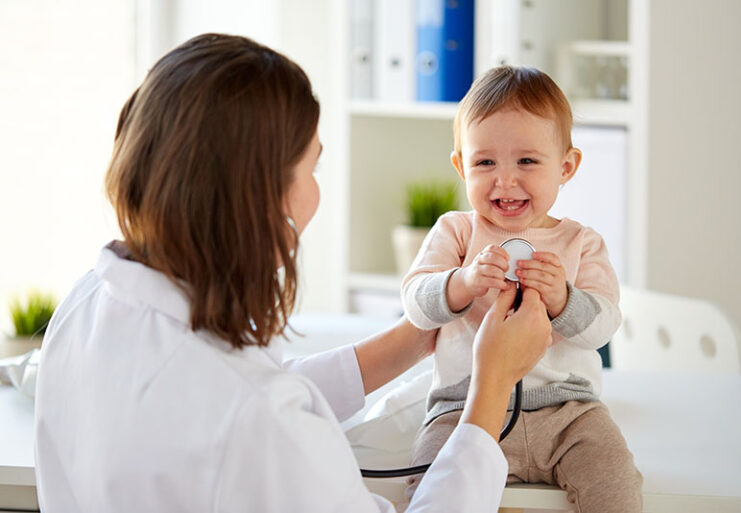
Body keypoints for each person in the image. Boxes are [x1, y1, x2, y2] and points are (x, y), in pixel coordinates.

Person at [33, 34, 553, 512]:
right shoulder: (259, 423)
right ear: (262, 197)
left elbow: (262, 389)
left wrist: (416, 336)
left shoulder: (87, 302)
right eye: (314, 168)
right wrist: (493, 385)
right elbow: (257, 410)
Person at [401, 66, 643, 512]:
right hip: (465, 410)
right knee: (429, 484)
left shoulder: (581, 242)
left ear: (566, 166)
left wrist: (563, 300)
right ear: (460, 165)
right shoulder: (456, 232)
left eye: (527, 161)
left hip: (570, 413)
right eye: (485, 162)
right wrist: (463, 283)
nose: (505, 180)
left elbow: (604, 326)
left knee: (616, 485)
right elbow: (416, 303)